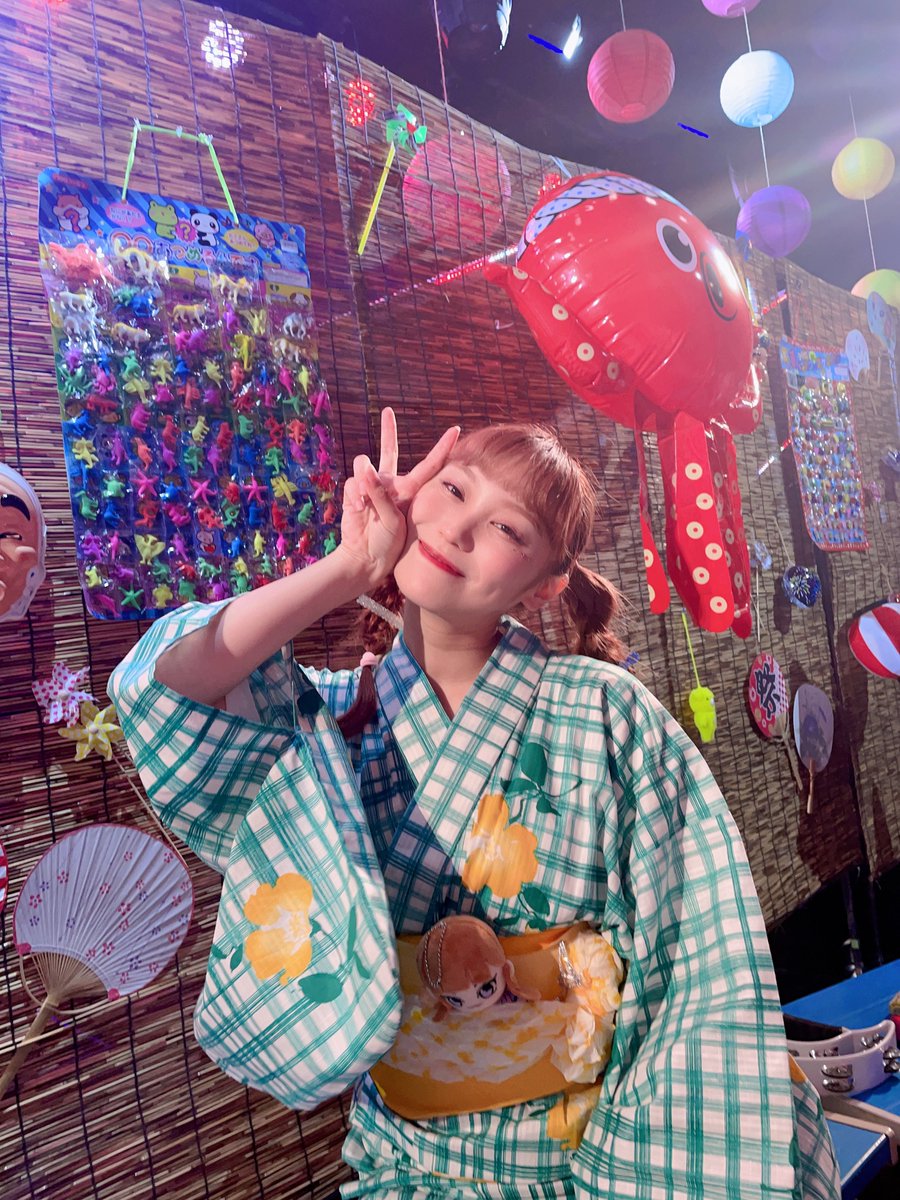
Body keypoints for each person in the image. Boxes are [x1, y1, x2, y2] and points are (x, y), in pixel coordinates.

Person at [109, 409, 840, 1199]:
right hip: (409, 1172)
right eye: (454, 489)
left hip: (591, 1164)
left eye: (506, 528)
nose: (458, 528)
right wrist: (347, 568)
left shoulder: (603, 712)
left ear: (546, 583)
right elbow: (163, 691)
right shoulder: (335, 723)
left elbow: (684, 963)